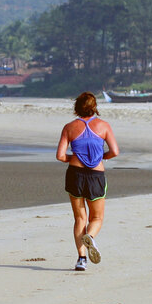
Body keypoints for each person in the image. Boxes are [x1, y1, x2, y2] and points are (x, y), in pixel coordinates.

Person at [56, 91, 119, 271]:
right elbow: (115, 151)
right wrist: (101, 157)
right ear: (94, 107)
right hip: (96, 175)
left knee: (79, 218)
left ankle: (81, 259)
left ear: (77, 108)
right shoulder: (104, 126)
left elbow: (60, 156)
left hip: (75, 174)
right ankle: (90, 237)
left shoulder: (69, 127)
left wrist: (75, 159)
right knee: (97, 217)